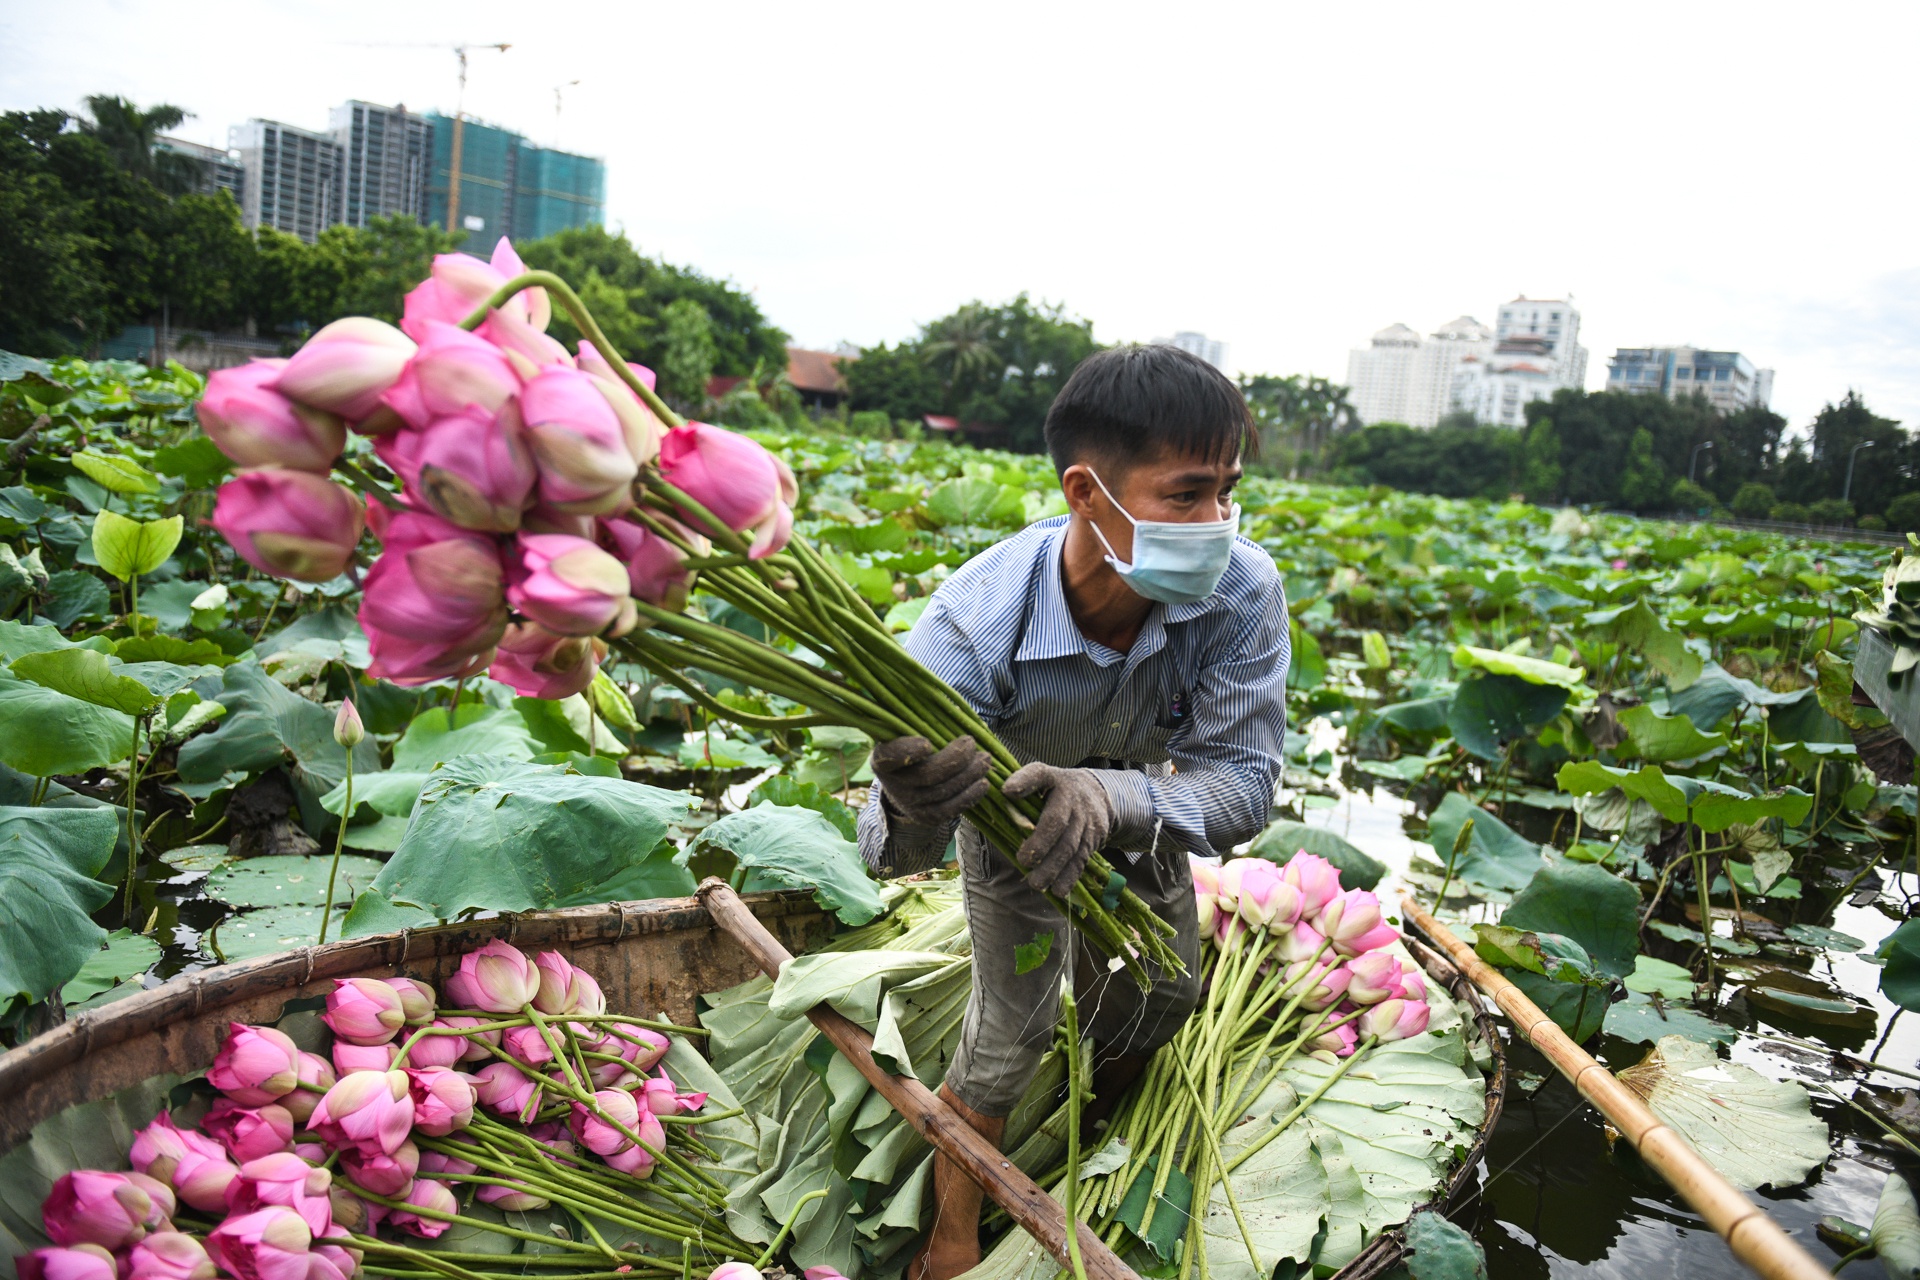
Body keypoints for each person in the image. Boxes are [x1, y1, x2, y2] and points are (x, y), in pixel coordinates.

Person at [855, 343, 1290, 1280]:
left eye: (1228, 491)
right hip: (1012, 823)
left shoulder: (1242, 593)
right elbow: (890, 854)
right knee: (1011, 1030)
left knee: (1166, 994)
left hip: (1140, 804)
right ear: (1088, 492)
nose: (1218, 522)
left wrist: (1108, 793)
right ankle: (953, 1235)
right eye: (1187, 494)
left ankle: (1096, 1113)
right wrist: (911, 799)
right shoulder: (971, 628)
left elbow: (1244, 785)